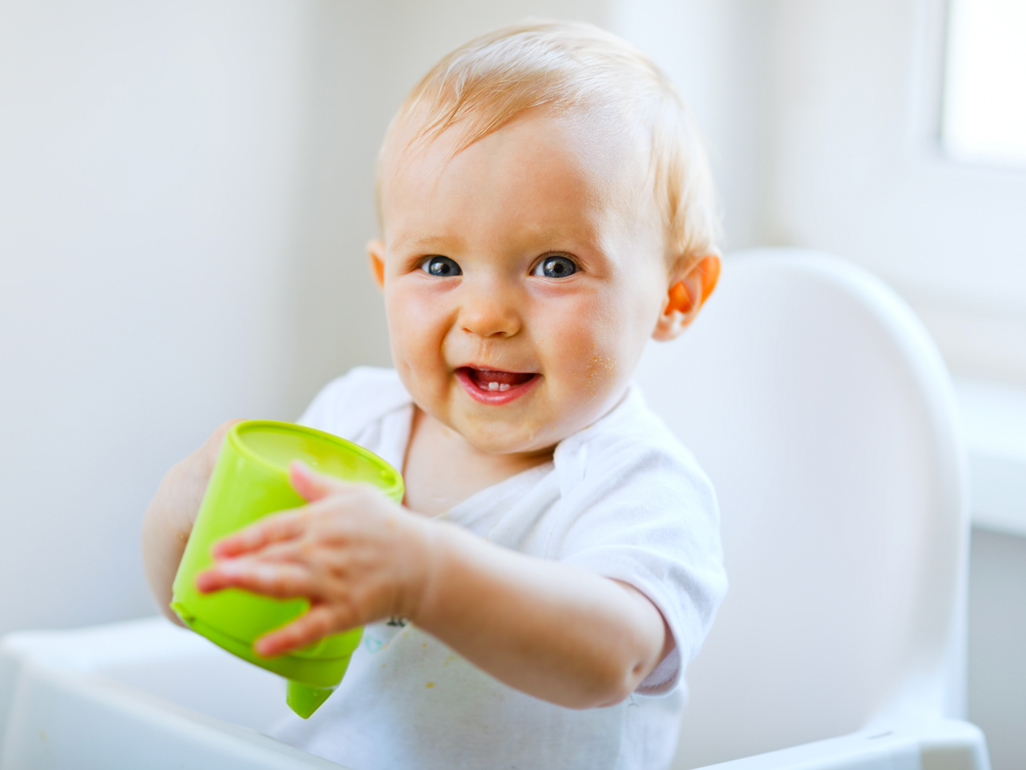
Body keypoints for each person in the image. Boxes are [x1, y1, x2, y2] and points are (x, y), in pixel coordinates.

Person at [142, 20, 727, 770]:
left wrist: (425, 573)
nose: (484, 315)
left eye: (554, 266)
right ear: (386, 278)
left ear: (676, 295)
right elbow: (203, 615)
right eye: (440, 263)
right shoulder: (353, 425)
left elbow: (613, 657)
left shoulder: (637, 483)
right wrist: (183, 514)